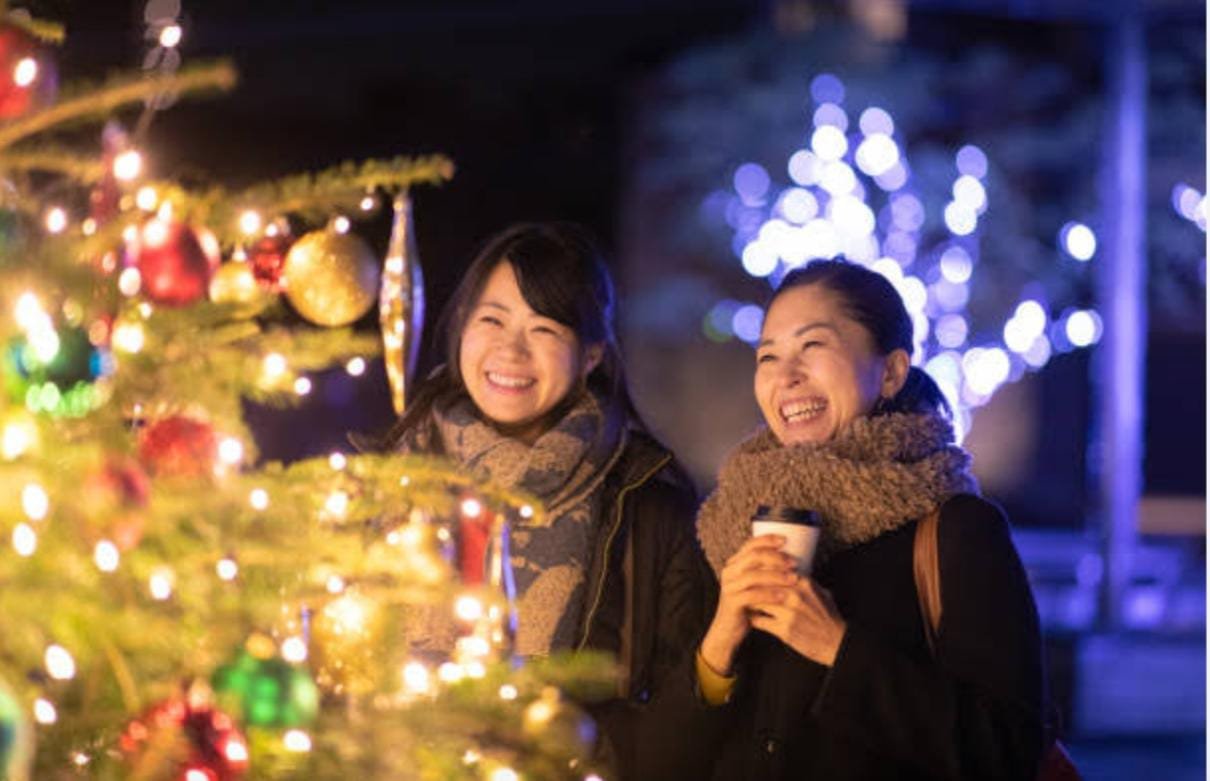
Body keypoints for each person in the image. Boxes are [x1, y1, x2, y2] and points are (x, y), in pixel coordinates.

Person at [380, 222, 715, 780]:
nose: (510, 349)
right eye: (492, 320)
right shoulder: (389, 479)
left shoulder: (649, 507)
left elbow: (676, 725)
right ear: (462, 326)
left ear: (590, 354)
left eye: (543, 329)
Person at [693, 259, 1046, 780]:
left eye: (813, 347)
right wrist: (719, 645)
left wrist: (839, 648)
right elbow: (669, 751)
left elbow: (1008, 748)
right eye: (768, 356)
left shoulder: (956, 529)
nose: (786, 376)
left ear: (891, 371)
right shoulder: (727, 523)